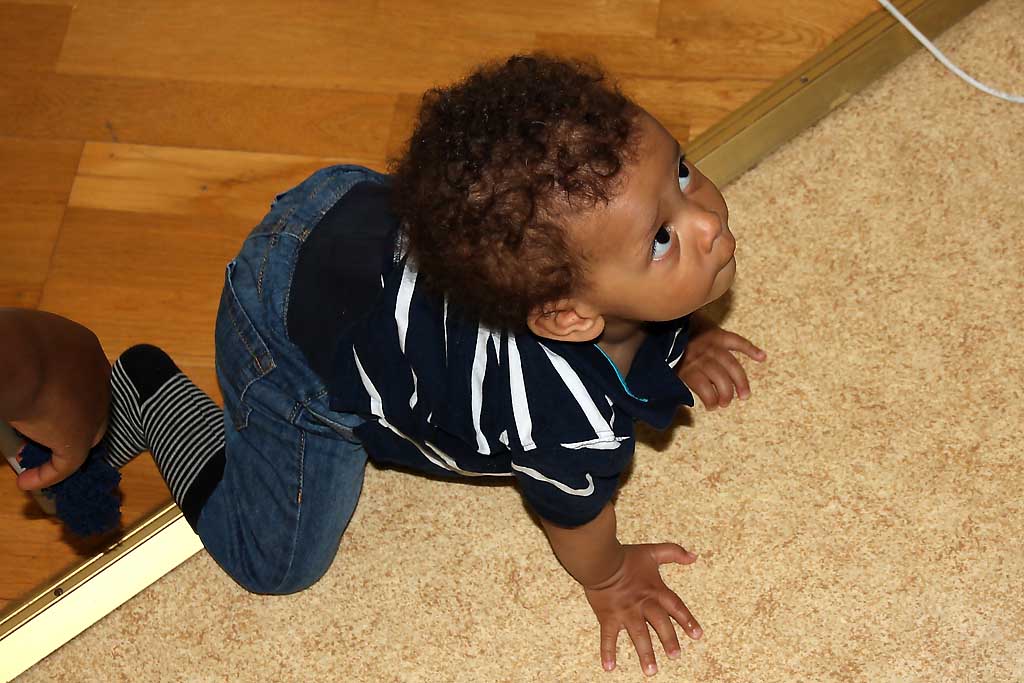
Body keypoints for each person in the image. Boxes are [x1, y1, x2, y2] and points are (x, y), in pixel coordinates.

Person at [1, 53, 765, 676]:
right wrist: (610, 576)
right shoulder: (564, 420)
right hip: (288, 337)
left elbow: (623, 292)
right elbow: (572, 514)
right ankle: (144, 393)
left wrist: (685, 335)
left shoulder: (568, 284)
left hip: (358, 216)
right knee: (276, 562)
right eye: (662, 237)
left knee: (566, 246)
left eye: (682, 171)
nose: (706, 219)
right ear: (567, 318)